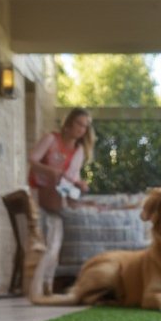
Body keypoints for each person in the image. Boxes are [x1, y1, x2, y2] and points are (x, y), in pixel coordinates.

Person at [27, 107, 95, 299]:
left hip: (59, 200)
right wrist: (51, 172)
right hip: (38, 195)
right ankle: (35, 285)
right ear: (69, 123)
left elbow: (72, 177)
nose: (82, 129)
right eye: (79, 124)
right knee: (41, 240)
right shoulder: (51, 139)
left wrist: (80, 184)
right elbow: (32, 160)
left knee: (56, 240)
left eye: (86, 126)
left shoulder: (79, 151)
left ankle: (47, 284)